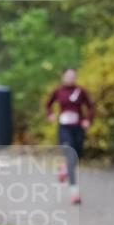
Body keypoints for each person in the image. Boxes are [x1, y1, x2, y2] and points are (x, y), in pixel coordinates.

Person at [45, 68, 95, 205]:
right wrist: (50, 114)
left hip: (78, 128)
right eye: (68, 76)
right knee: (70, 156)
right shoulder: (58, 91)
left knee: (77, 155)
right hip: (64, 128)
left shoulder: (80, 91)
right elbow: (48, 105)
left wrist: (88, 120)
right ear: (63, 76)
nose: (71, 78)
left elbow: (91, 106)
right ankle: (74, 193)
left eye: (73, 76)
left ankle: (64, 167)